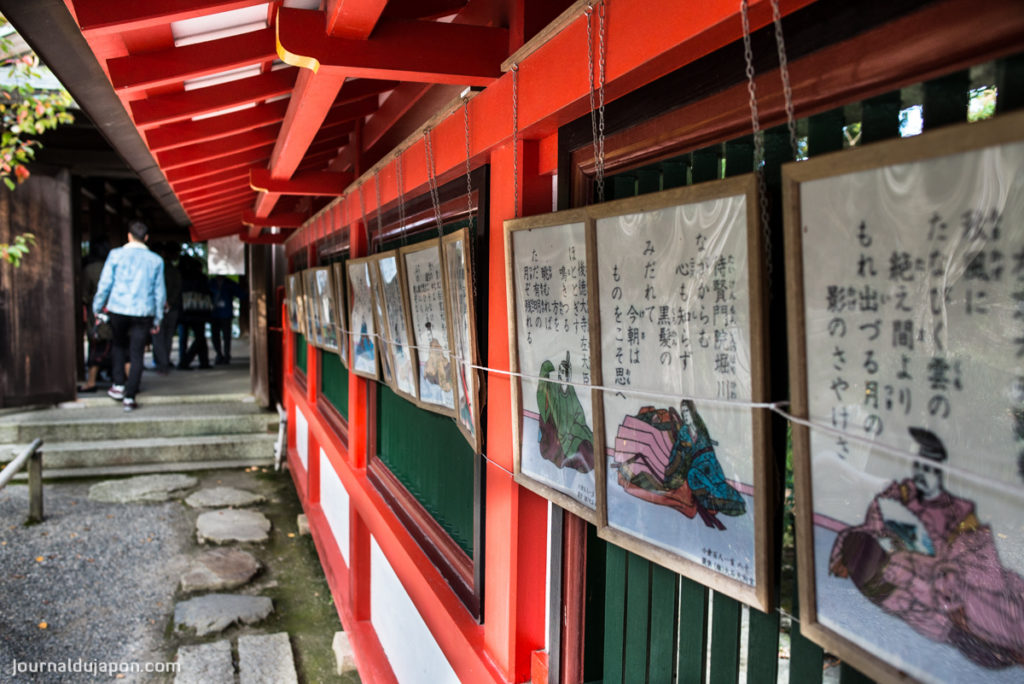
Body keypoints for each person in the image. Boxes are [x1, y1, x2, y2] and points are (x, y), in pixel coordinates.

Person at [91, 221, 165, 411]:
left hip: (119, 309)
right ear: (146, 238)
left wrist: (97, 307)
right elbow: (160, 293)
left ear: (129, 236)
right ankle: (130, 396)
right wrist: (158, 318)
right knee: (137, 352)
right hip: (143, 311)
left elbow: (105, 284)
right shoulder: (156, 260)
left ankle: (118, 385)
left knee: (118, 345)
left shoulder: (116, 255)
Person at [79, 237, 112, 393]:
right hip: (117, 310)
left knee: (97, 345)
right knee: (118, 347)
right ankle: (120, 379)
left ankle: (92, 380)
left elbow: (84, 295)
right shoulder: (114, 267)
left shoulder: (90, 269)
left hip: (98, 312)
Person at [178, 256, 213, 370]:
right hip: (199, 312)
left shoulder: (183, 277)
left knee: (186, 339)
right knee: (200, 338)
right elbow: (207, 293)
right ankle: (193, 362)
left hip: (186, 311)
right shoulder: (201, 278)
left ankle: (192, 361)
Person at [152, 243, 182, 374]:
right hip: (171, 306)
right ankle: (164, 362)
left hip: (161, 306)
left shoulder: (155, 269)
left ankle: (162, 363)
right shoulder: (172, 270)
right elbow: (178, 288)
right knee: (166, 336)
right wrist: (170, 301)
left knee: (159, 336)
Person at [209, 275, 245, 365]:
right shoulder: (210, 283)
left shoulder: (229, 283)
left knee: (226, 336)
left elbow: (241, 294)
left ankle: (226, 355)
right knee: (215, 336)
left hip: (226, 313)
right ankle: (219, 354)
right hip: (214, 313)